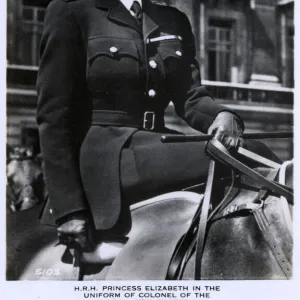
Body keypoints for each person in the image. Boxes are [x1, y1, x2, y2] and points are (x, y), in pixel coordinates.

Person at [36, 0, 280, 253]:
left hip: (156, 145)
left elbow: (189, 95)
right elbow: (53, 116)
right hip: (106, 157)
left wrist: (222, 115)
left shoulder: (172, 19)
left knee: (253, 162)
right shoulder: (73, 10)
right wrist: (69, 208)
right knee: (256, 154)